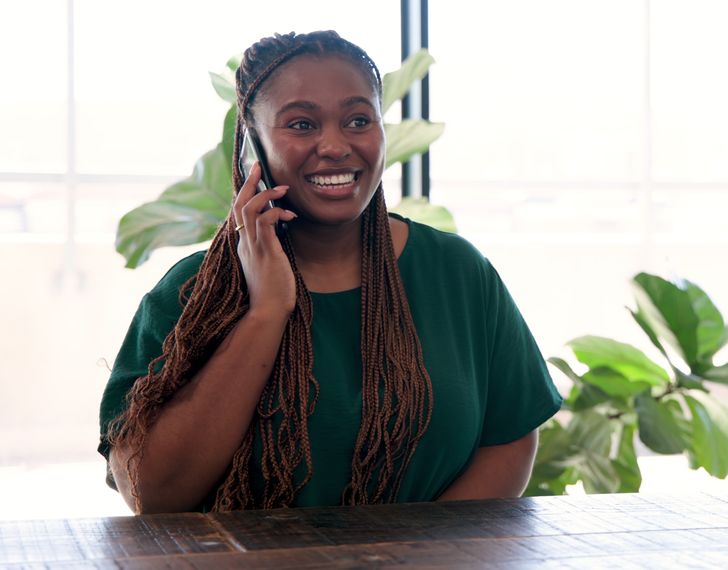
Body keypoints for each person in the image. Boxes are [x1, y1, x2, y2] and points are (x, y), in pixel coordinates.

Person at [98, 30, 562, 514]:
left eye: (359, 119)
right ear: (252, 148)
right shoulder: (194, 293)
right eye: (301, 124)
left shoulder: (458, 273)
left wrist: (417, 557)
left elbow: (509, 441)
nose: (336, 146)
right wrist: (266, 312)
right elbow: (150, 494)